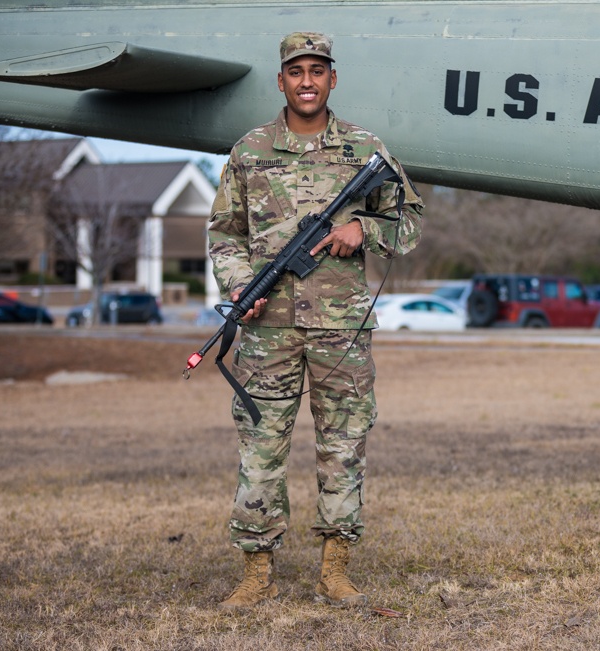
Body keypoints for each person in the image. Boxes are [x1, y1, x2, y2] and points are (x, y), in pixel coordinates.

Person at [208, 31, 423, 609]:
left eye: (317, 70)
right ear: (281, 81)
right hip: (266, 333)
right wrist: (236, 288)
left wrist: (365, 231)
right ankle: (256, 573)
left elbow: (411, 218)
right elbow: (224, 233)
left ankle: (336, 570)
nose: (307, 80)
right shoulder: (248, 152)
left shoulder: (364, 149)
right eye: (296, 71)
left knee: (343, 447)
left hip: (341, 332)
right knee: (260, 450)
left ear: (333, 79)